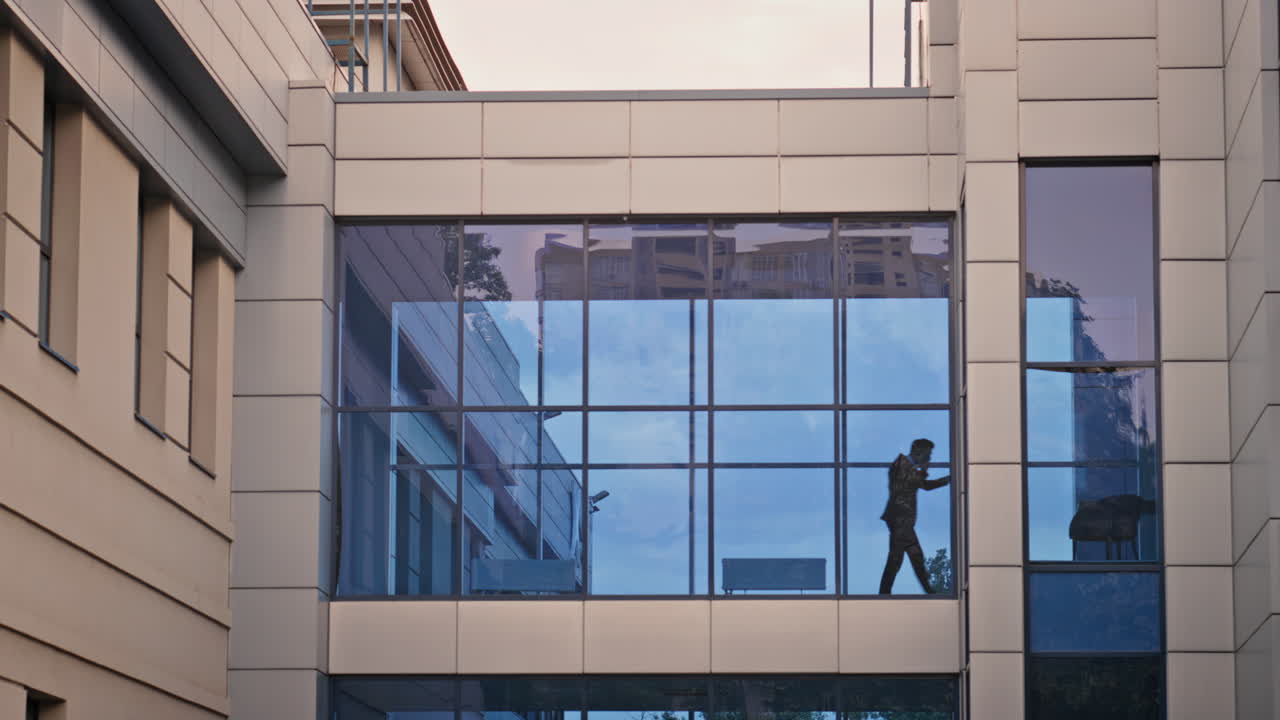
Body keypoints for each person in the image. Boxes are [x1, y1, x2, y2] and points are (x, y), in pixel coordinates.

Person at [879, 438, 950, 594]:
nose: (929, 459)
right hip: (899, 520)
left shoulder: (909, 469)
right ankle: (927, 592)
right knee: (901, 559)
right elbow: (908, 483)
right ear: (919, 452)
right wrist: (923, 470)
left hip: (903, 522)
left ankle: (926, 592)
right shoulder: (900, 464)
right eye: (928, 455)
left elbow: (924, 485)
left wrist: (947, 480)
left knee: (906, 558)